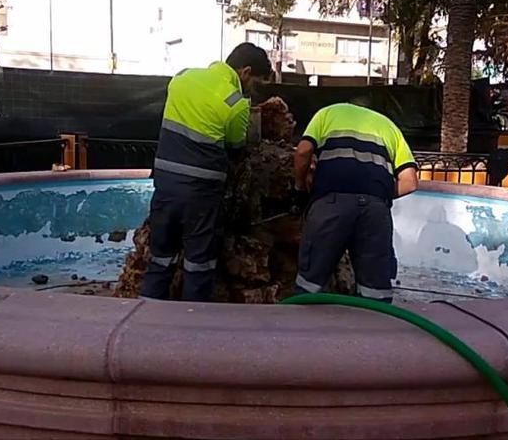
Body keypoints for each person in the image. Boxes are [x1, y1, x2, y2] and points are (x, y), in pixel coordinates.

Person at [140, 43, 272, 301]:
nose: (255, 92)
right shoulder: (235, 102)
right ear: (245, 72)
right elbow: (236, 147)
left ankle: (145, 321)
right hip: (201, 195)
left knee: (160, 259)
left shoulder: (182, 78)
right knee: (198, 265)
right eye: (257, 83)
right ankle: (193, 329)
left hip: (165, 185)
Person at [292, 96, 418, 302]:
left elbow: (303, 151)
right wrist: (377, 194)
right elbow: (410, 182)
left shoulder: (328, 113)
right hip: (375, 211)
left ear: (349, 105)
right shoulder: (389, 127)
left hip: (330, 203)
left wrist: (299, 187)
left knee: (310, 284)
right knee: (375, 292)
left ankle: (302, 327)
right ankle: (371, 331)